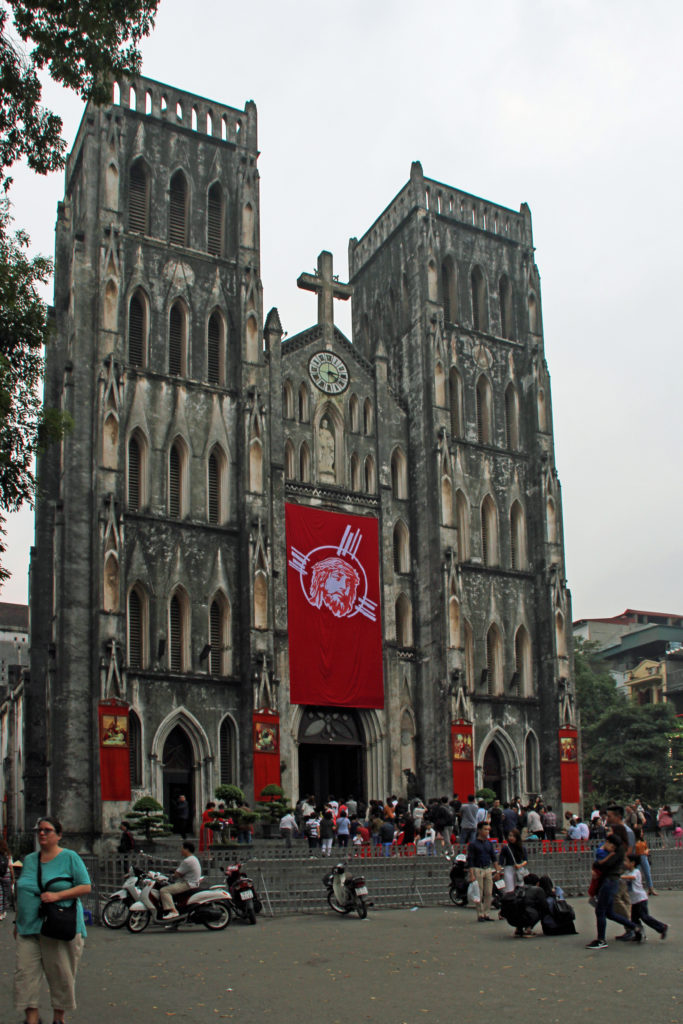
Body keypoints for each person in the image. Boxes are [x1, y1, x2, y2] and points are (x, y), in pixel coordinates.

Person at [14, 816, 91, 1024]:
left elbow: (85, 886)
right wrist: (17, 921)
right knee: (25, 975)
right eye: (39, 830)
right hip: (28, 928)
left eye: (47, 830)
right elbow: (24, 891)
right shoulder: (30, 859)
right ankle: (31, 1018)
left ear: (59, 835)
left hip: (59, 927)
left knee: (61, 976)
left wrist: (57, 896)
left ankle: (59, 1018)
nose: (41, 833)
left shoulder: (70, 857)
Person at [585, 835, 640, 949]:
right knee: (610, 913)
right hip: (611, 882)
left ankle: (601, 939)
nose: (611, 848)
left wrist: (597, 865)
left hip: (609, 882)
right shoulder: (611, 851)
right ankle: (634, 927)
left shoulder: (615, 853)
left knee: (600, 911)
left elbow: (602, 864)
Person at [621, 854, 668, 940]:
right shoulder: (626, 872)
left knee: (644, 917)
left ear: (632, 863)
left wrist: (620, 876)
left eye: (626, 861)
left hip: (641, 899)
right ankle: (639, 935)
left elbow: (632, 877)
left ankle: (661, 927)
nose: (624, 863)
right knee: (634, 919)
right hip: (634, 900)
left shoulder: (636, 871)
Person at [467, 822, 500, 921]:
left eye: (488, 830)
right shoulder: (473, 844)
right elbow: (471, 859)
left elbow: (493, 857)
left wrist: (497, 871)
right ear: (480, 830)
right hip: (478, 869)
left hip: (487, 868)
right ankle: (480, 914)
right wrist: (471, 874)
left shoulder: (489, 843)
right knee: (479, 893)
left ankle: (487, 913)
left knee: (489, 892)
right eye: (485, 829)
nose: (487, 831)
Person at [160, 842, 202, 920]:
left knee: (164, 890)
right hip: (192, 883)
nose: (181, 850)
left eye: (182, 848)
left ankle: (173, 911)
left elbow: (177, 874)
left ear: (187, 849)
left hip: (187, 884)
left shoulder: (187, 861)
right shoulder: (194, 859)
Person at [498, 828, 527, 893]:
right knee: (509, 888)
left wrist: (520, 865)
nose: (511, 838)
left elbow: (525, 860)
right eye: (510, 836)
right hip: (508, 868)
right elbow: (501, 860)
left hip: (519, 869)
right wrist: (499, 868)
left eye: (513, 836)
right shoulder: (506, 847)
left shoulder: (522, 847)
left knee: (519, 888)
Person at [0, 836, 14, 919]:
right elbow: (11, 867)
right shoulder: (8, 855)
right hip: (6, 875)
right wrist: (13, 878)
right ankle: (4, 911)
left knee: (0, 894)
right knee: (5, 894)